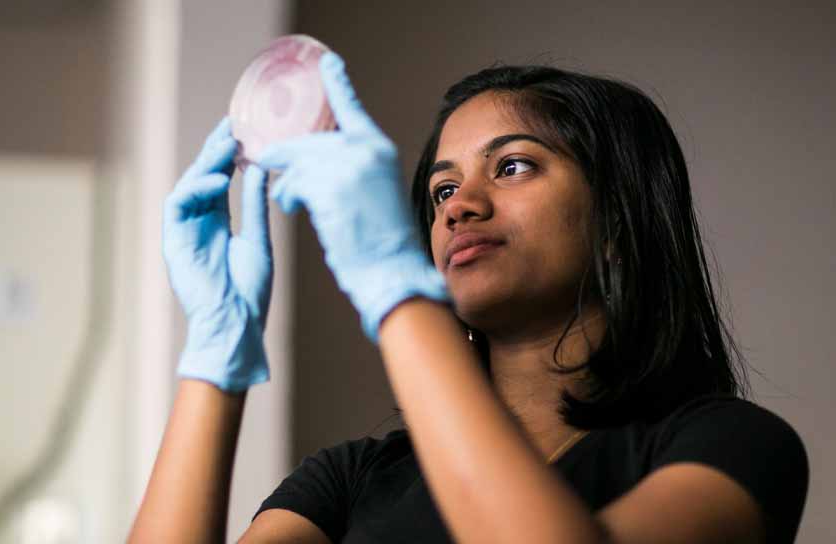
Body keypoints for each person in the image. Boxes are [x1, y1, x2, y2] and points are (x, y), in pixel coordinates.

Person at [128, 52, 809, 543]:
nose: (462, 208)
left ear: (618, 223)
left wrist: (395, 291)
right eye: (442, 191)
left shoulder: (729, 447)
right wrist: (217, 351)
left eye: (512, 166)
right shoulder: (353, 480)